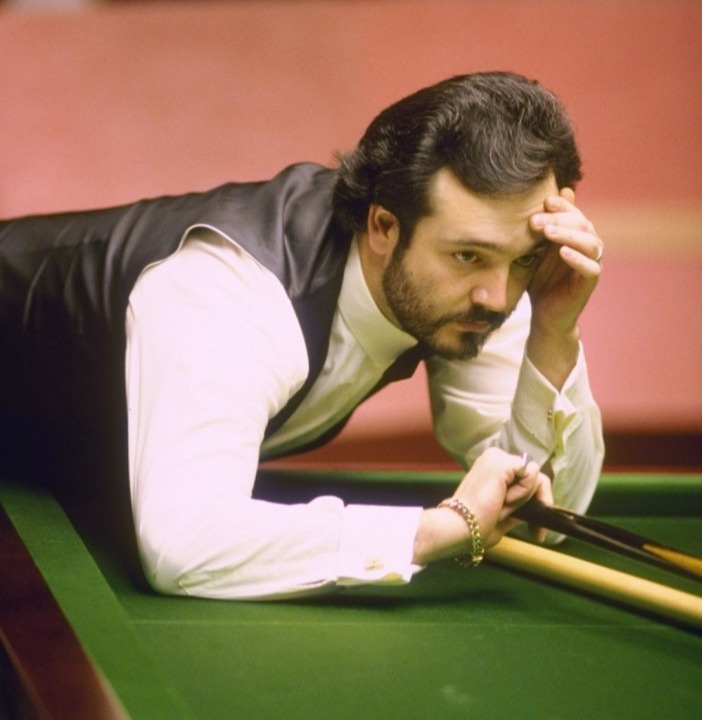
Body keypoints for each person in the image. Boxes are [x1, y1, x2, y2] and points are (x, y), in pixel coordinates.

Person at [0, 71, 604, 600]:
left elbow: (547, 509)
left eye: (522, 261)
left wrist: (554, 330)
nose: (498, 297)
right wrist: (430, 533)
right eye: (468, 255)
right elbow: (183, 546)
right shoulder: (229, 292)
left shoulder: (479, 286)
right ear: (384, 227)